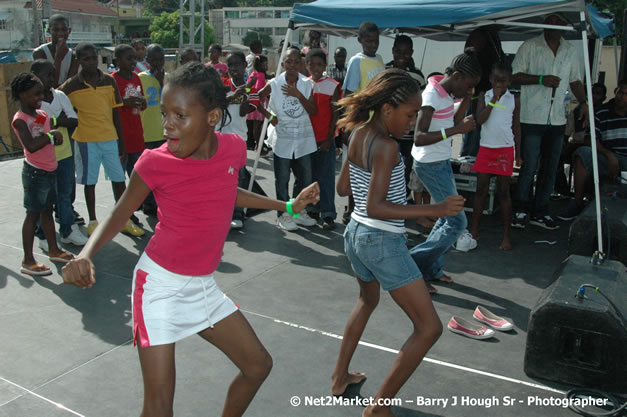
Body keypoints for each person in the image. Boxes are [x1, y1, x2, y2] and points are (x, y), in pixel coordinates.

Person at [61, 62, 320, 417]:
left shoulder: (231, 148)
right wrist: (86, 255)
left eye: (180, 116)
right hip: (159, 289)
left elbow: (228, 191)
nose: (167, 125)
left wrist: (287, 205)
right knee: (159, 406)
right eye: (165, 114)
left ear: (213, 117)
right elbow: (119, 212)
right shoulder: (153, 162)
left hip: (201, 288)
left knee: (258, 365)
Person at [332, 68, 464, 417]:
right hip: (381, 242)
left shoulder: (357, 133)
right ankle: (379, 407)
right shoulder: (387, 145)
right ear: (387, 109)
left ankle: (339, 377)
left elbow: (345, 189)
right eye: (409, 115)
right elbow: (377, 205)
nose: (412, 123)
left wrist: (415, 213)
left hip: (356, 236)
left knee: (366, 300)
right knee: (429, 327)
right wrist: (435, 208)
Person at [409, 49, 481, 292]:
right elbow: (419, 137)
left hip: (440, 161)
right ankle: (414, 266)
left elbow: (453, 122)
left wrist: (467, 100)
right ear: (458, 76)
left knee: (446, 218)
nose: (468, 90)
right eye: (468, 85)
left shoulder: (446, 92)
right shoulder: (431, 95)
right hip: (430, 164)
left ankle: (429, 268)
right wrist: (456, 130)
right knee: (457, 222)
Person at [510, 13, 589, 230]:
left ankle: (541, 210)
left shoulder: (570, 51)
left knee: (551, 167)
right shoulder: (530, 46)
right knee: (529, 165)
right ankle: (521, 208)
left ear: (564, 27)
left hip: (556, 118)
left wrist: (584, 102)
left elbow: (575, 80)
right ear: (543, 24)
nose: (554, 26)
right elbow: (514, 75)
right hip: (531, 116)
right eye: (551, 21)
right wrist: (541, 79)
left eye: (559, 22)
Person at [60, 42, 144, 238]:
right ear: (79, 60)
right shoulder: (71, 85)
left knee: (118, 179)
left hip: (110, 139)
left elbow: (116, 112)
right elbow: (56, 99)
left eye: (93, 58)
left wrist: (121, 143)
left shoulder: (108, 81)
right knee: (90, 182)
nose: (91, 62)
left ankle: (125, 219)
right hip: (86, 141)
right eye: (86, 58)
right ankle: (93, 221)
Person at [11, 72, 75, 276]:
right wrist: (50, 136)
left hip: (50, 170)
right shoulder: (20, 120)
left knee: (47, 211)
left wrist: (55, 132)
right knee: (33, 215)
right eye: (36, 95)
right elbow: (30, 145)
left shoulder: (41, 115)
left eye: (42, 94)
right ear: (22, 95)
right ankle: (28, 260)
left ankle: (54, 249)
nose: (41, 98)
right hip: (35, 173)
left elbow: (50, 125)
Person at [258, 47, 319, 231]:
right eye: (289, 62)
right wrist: (270, 117)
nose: (292, 65)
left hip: (303, 138)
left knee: (305, 178)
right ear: (283, 63)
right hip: (283, 138)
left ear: (301, 65)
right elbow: (255, 98)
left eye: (296, 62)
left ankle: (298, 211)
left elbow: (313, 111)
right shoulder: (274, 83)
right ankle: (283, 215)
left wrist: (298, 95)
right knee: (282, 178)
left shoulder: (307, 84)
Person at [30, 60, 88, 249]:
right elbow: (37, 129)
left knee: (65, 193)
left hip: (63, 154)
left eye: (53, 74)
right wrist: (59, 120)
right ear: (35, 76)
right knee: (44, 198)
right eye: (47, 74)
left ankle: (67, 231)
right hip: (42, 158)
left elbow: (73, 119)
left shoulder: (60, 95)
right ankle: (43, 235)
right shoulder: (34, 100)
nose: (51, 78)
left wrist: (55, 120)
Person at [469, 61, 521, 251]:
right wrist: (493, 101)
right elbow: (480, 120)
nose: (499, 84)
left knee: (504, 193)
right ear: (490, 79)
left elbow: (517, 127)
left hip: (504, 150)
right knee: (480, 191)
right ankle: (474, 230)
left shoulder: (514, 100)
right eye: (496, 80)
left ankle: (506, 237)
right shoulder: (485, 96)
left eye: (503, 81)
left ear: (509, 82)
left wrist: (518, 153)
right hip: (486, 148)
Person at [558, 80, 627, 220]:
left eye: (626, 94)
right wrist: (609, 155)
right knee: (582, 153)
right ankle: (577, 203)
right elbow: (589, 139)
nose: (622, 96)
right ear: (615, 92)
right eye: (620, 92)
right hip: (608, 157)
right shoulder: (601, 112)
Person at [342, 22, 386, 224]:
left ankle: (367, 207)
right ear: (360, 40)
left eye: (375, 41)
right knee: (356, 168)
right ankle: (351, 210)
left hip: (377, 124)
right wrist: (347, 123)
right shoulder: (356, 62)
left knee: (371, 169)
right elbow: (348, 94)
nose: (372, 45)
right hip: (360, 123)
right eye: (368, 41)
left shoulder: (380, 60)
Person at [220, 52, 257, 230]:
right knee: (220, 179)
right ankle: (221, 212)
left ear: (244, 66)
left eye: (237, 65)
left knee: (238, 178)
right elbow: (219, 102)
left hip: (239, 139)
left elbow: (244, 111)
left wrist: (246, 93)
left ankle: (237, 213)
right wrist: (235, 94)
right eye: (230, 65)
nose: (233, 69)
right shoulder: (222, 84)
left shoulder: (251, 88)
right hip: (220, 138)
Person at [306, 48, 341, 230]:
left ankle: (328, 213)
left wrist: (329, 139)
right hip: (307, 140)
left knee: (326, 177)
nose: (316, 68)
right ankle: (312, 209)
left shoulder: (333, 85)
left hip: (324, 139)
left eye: (320, 64)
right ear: (307, 65)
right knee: (310, 177)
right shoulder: (303, 83)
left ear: (325, 66)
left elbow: (335, 114)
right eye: (312, 64)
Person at [460, 26, 505, 157]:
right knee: (473, 132)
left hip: (488, 94)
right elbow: (467, 57)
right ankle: (466, 164)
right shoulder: (479, 35)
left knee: (481, 134)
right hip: (477, 94)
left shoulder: (493, 35)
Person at [112, 44, 147, 202]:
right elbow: (111, 105)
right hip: (121, 136)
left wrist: (142, 102)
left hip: (136, 135)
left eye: (134, 58)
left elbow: (142, 104)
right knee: (119, 177)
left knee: (138, 176)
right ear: (118, 61)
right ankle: (124, 213)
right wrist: (126, 102)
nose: (133, 61)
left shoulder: (136, 77)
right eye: (129, 58)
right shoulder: (112, 79)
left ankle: (134, 205)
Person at [138, 43, 166, 216]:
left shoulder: (169, 77)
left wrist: (162, 81)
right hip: (146, 133)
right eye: (153, 59)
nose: (157, 63)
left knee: (163, 171)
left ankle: (162, 202)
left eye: (160, 59)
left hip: (165, 133)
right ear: (147, 60)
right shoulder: (140, 78)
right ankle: (148, 204)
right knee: (147, 171)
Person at [33, 14, 78, 87]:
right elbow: (49, 85)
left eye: (64, 29)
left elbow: (69, 85)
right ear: (49, 31)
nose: (60, 33)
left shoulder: (74, 55)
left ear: (69, 31)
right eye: (56, 30)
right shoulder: (40, 52)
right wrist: (58, 58)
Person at [246, 55, 269, 152]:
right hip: (259, 104)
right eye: (266, 64)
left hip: (252, 102)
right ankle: (259, 145)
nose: (267, 66)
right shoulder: (261, 75)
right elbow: (259, 89)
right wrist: (267, 94)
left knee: (255, 126)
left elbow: (248, 88)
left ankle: (258, 144)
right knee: (258, 126)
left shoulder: (252, 74)